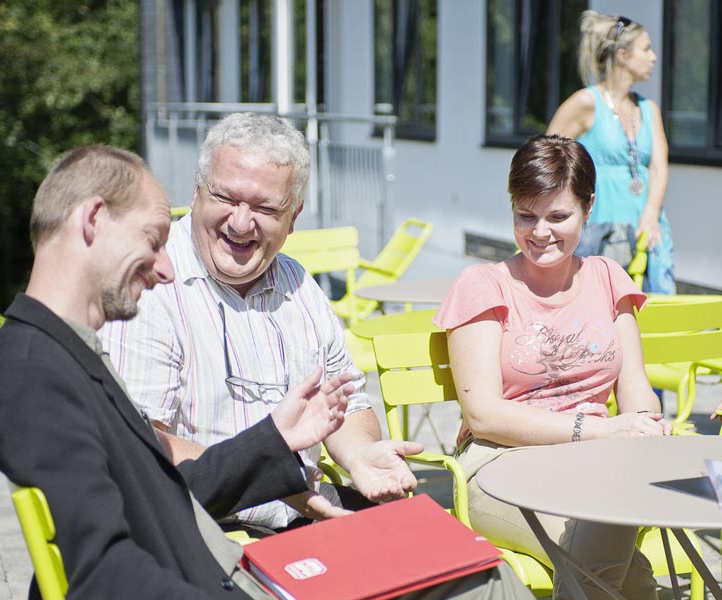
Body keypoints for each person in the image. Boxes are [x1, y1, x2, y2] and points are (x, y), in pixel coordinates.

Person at [0, 144, 533, 600]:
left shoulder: (60, 355)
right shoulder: (35, 375)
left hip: (243, 563)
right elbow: (101, 571)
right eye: (154, 239)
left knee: (475, 564)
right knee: (487, 583)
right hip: (227, 572)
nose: (166, 268)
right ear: (94, 220)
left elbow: (162, 488)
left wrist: (275, 443)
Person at [99, 112, 421, 536]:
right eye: (226, 198)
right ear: (196, 192)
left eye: (265, 207)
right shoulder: (151, 286)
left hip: (302, 514)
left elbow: (348, 404)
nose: (240, 222)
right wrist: (269, 476)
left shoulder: (299, 285)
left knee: (436, 550)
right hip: (202, 526)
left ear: (294, 217)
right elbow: (142, 444)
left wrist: (360, 455)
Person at [433, 134, 672, 600]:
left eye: (558, 217)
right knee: (602, 550)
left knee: (620, 563)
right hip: (501, 463)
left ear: (588, 207)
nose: (539, 232)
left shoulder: (607, 276)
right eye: (526, 215)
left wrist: (644, 425)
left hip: (599, 463)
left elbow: (636, 389)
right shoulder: (483, 285)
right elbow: (484, 416)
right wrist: (602, 430)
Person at [547, 10, 675, 294]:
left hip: (647, 229)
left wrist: (651, 214)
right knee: (598, 305)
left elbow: (659, 168)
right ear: (623, 56)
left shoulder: (649, 109)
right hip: (599, 231)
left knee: (653, 311)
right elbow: (545, 162)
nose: (654, 57)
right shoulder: (585, 103)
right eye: (646, 49)